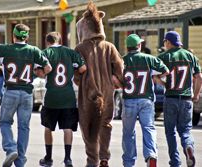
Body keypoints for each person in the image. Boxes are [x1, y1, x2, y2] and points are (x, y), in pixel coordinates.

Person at [0, 23, 52, 167]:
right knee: (24, 127)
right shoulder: (34, 51)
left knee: (5, 122)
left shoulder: (5, 49)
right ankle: (20, 161)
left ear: (14, 36)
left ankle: (10, 149)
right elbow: (48, 68)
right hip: (27, 93)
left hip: (11, 91)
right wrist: (37, 71)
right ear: (26, 38)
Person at [75, 2, 124, 167]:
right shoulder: (109, 47)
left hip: (87, 93)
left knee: (88, 127)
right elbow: (120, 69)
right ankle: (104, 157)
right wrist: (117, 81)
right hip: (107, 93)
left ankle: (92, 160)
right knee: (105, 125)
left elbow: (75, 75)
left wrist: (80, 80)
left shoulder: (80, 48)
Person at [37, 32, 86, 167]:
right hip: (68, 97)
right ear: (60, 40)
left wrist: (41, 72)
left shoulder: (45, 53)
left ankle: (48, 157)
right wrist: (74, 70)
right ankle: (68, 158)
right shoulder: (70, 52)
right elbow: (83, 68)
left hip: (51, 97)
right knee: (67, 129)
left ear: (47, 42)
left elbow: (41, 73)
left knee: (48, 128)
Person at [121, 34, 169, 167]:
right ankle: (151, 155)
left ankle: (129, 162)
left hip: (129, 100)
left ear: (127, 47)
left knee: (128, 132)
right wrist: (155, 77)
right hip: (146, 99)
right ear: (139, 45)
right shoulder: (149, 58)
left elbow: (116, 78)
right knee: (148, 128)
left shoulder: (122, 60)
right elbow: (165, 71)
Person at [158, 31, 202, 167]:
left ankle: (175, 161)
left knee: (170, 132)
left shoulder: (164, 56)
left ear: (168, 42)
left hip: (171, 97)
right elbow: (199, 77)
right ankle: (188, 147)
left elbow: (155, 76)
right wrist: (195, 95)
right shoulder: (190, 56)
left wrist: (164, 84)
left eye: (165, 42)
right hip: (186, 99)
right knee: (186, 130)